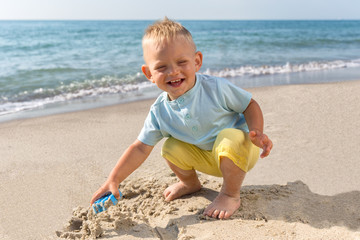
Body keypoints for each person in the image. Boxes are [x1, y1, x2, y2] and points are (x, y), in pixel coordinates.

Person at [90, 17, 273, 220]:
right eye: (161, 67)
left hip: (241, 151)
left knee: (228, 137)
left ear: (197, 62)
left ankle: (230, 194)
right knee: (170, 147)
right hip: (208, 157)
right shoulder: (160, 111)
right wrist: (113, 180)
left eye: (182, 62)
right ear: (149, 73)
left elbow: (249, 104)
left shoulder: (215, 88)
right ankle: (190, 183)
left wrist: (257, 131)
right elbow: (140, 148)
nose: (173, 71)